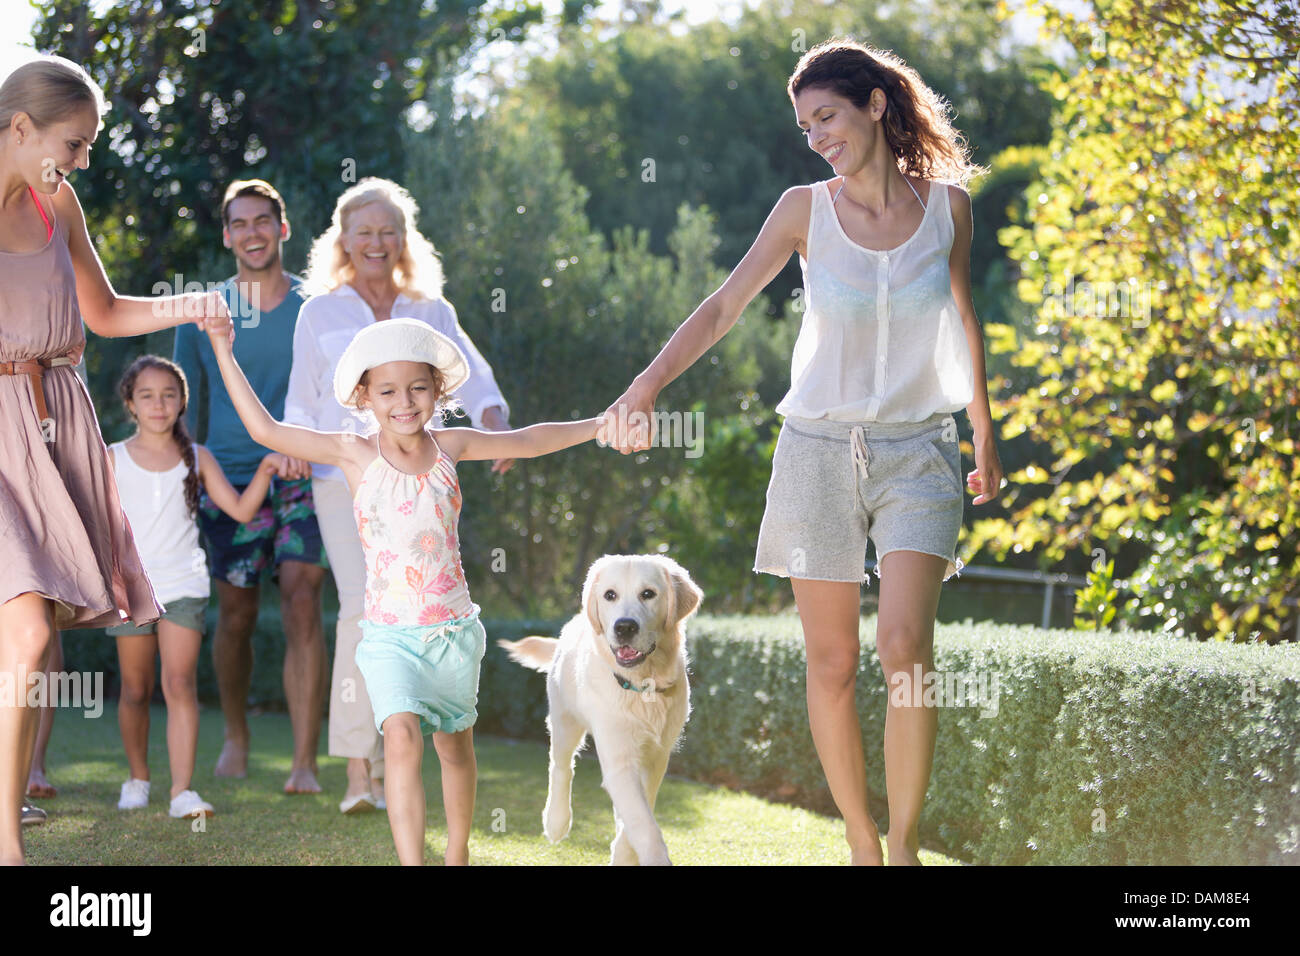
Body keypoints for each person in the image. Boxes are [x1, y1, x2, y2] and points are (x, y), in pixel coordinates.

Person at [602, 39, 1006, 866]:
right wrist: (645, 387)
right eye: (805, 126)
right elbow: (721, 310)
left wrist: (986, 434)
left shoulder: (951, 209)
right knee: (832, 660)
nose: (816, 135)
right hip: (817, 449)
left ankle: (904, 843)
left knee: (904, 646)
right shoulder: (802, 209)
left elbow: (966, 321)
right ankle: (860, 840)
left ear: (877, 106)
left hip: (920, 450)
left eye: (827, 117)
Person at [208, 316, 601, 864]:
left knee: (454, 749)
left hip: (453, 635)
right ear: (365, 395)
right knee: (399, 737)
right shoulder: (353, 452)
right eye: (388, 390)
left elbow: (530, 441)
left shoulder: (452, 445)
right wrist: (223, 349)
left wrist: (601, 425)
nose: (404, 402)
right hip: (391, 636)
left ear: (437, 389)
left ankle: (456, 854)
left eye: (418, 387)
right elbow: (266, 431)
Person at [0, 54, 229, 864]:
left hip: (58, 422)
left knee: (31, 634)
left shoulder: (57, 202)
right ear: (21, 128)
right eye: (76, 141)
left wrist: (194, 304)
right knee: (25, 633)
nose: (85, 159)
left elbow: (102, 311)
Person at [285, 178, 514, 814]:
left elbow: (471, 367)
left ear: (404, 239)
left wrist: (492, 417)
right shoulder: (320, 312)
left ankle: (397, 757)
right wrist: (289, 449)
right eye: (364, 231)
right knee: (363, 610)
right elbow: (303, 397)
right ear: (344, 241)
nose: (376, 242)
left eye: (388, 231)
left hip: (417, 479)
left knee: (415, 612)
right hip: (345, 481)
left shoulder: (429, 308)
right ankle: (361, 773)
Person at [173, 179, 331, 793]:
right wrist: (194, 472)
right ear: (226, 236)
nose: (253, 233)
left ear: (283, 229)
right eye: (239, 224)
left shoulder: (316, 308)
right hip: (231, 482)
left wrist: (305, 445)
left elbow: (337, 394)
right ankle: (236, 734)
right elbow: (184, 408)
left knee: (300, 600)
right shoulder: (203, 312)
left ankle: (303, 762)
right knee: (235, 616)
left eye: (263, 221)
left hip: (304, 476)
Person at [108, 355, 286, 818]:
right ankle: (138, 778)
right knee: (133, 689)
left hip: (184, 584)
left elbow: (242, 512)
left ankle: (181, 792)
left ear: (182, 402)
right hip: (132, 589)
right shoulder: (111, 458)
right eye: (146, 395)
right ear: (130, 402)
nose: (158, 404)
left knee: (180, 682)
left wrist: (266, 469)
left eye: (168, 395)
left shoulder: (198, 457)